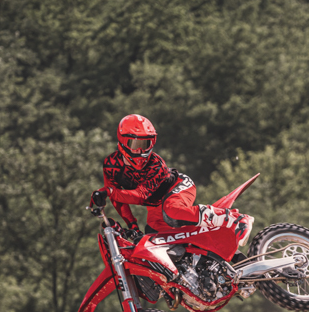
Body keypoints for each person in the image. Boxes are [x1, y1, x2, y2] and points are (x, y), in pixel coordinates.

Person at [89, 114, 253, 266]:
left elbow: (140, 195)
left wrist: (108, 192)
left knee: (172, 211)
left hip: (178, 187)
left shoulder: (156, 163)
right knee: (153, 243)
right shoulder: (111, 165)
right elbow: (118, 200)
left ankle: (236, 219)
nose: (141, 151)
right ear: (123, 142)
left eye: (146, 144)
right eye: (136, 144)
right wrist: (132, 226)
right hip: (156, 206)